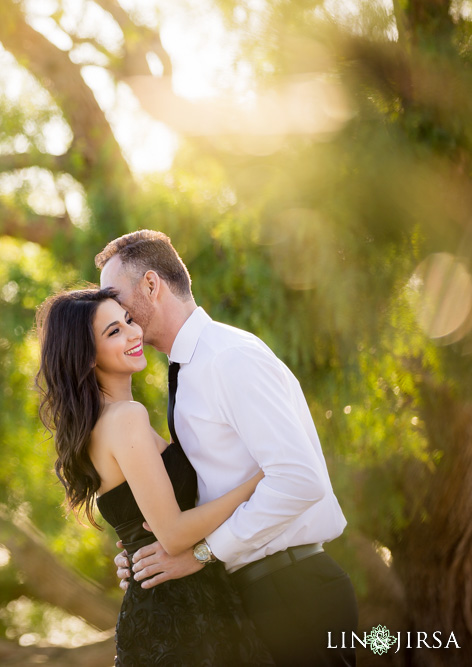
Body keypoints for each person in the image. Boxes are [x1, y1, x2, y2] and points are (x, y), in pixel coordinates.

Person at [98, 230, 358, 666]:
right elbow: (210, 486)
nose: (117, 313)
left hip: (294, 589)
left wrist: (202, 553)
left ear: (150, 285)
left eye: (119, 300)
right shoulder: (188, 371)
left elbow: (300, 480)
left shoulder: (227, 358)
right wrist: (145, 552)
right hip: (253, 595)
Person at [36, 287, 274, 666]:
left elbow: (144, 524)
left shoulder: (103, 423)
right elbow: (174, 533)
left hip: (180, 605)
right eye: (113, 332)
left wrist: (133, 553)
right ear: (87, 355)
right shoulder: (125, 419)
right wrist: (257, 482)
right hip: (179, 618)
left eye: (128, 320)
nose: (133, 333)